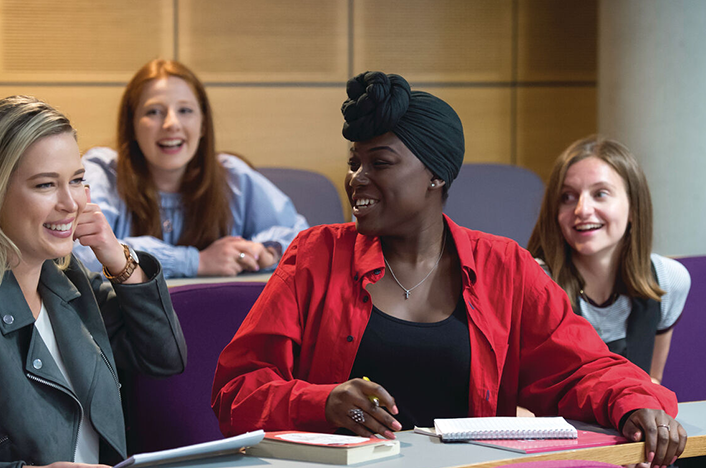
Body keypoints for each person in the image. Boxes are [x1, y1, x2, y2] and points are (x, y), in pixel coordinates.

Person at [211, 72, 686, 468]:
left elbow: (583, 369)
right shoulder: (315, 256)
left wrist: (636, 404)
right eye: (355, 163)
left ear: (436, 174)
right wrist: (322, 401)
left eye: (380, 162)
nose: (357, 179)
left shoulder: (505, 267)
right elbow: (236, 392)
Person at [0, 96, 187, 468]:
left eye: (78, 180)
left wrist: (117, 256)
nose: (72, 203)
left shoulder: (70, 282)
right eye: (46, 184)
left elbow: (163, 356)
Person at [73, 59, 308, 278]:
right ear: (132, 125)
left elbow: (301, 238)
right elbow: (79, 252)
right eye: (153, 112)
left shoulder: (232, 177)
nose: (171, 124)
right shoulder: (103, 172)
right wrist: (195, 262)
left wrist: (265, 252)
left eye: (185, 110)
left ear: (203, 124)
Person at [528, 136, 690, 384]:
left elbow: (651, 382)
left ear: (634, 208)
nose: (582, 209)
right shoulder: (534, 282)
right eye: (567, 197)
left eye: (600, 194)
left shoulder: (668, 280)